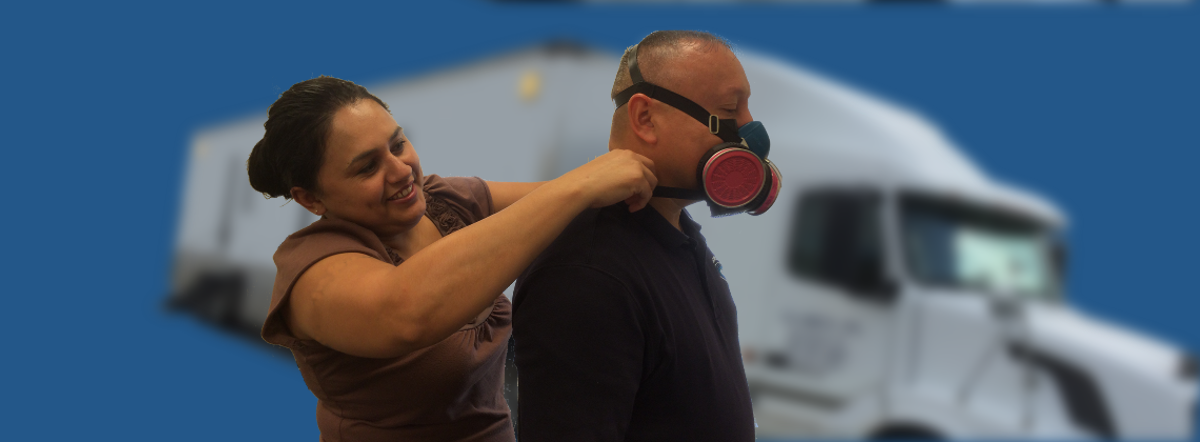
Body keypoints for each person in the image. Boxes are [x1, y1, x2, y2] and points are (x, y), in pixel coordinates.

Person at [246, 76, 657, 441]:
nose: (401, 170)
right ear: (311, 198)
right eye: (367, 167)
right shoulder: (313, 270)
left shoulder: (448, 201)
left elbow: (574, 202)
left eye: (398, 144)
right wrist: (578, 187)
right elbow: (404, 312)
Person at [513, 31, 770, 442]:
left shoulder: (676, 235)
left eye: (746, 108)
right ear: (645, 119)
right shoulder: (586, 274)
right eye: (729, 108)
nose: (750, 131)